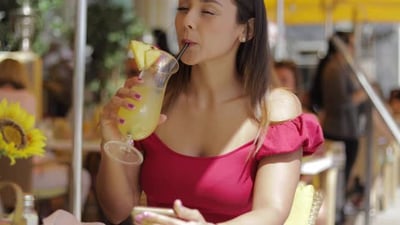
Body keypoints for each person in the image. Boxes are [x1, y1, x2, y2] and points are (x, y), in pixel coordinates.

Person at [97, 1, 324, 224]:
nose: (188, 21)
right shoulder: (154, 101)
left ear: (247, 29)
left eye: (207, 11)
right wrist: (112, 142)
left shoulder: (273, 110)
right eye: (183, 8)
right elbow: (118, 211)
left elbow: (271, 212)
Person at [0, 58, 91, 217]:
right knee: (82, 177)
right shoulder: (28, 98)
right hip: (27, 178)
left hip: (5, 181)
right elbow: (27, 148)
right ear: (20, 75)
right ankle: (66, 219)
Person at [309, 31, 368, 223]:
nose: (353, 48)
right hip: (339, 130)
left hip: (346, 129)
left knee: (344, 177)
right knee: (339, 178)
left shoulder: (342, 67)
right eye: (350, 44)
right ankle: (336, 213)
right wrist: (362, 95)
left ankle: (339, 210)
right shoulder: (334, 69)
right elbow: (339, 103)